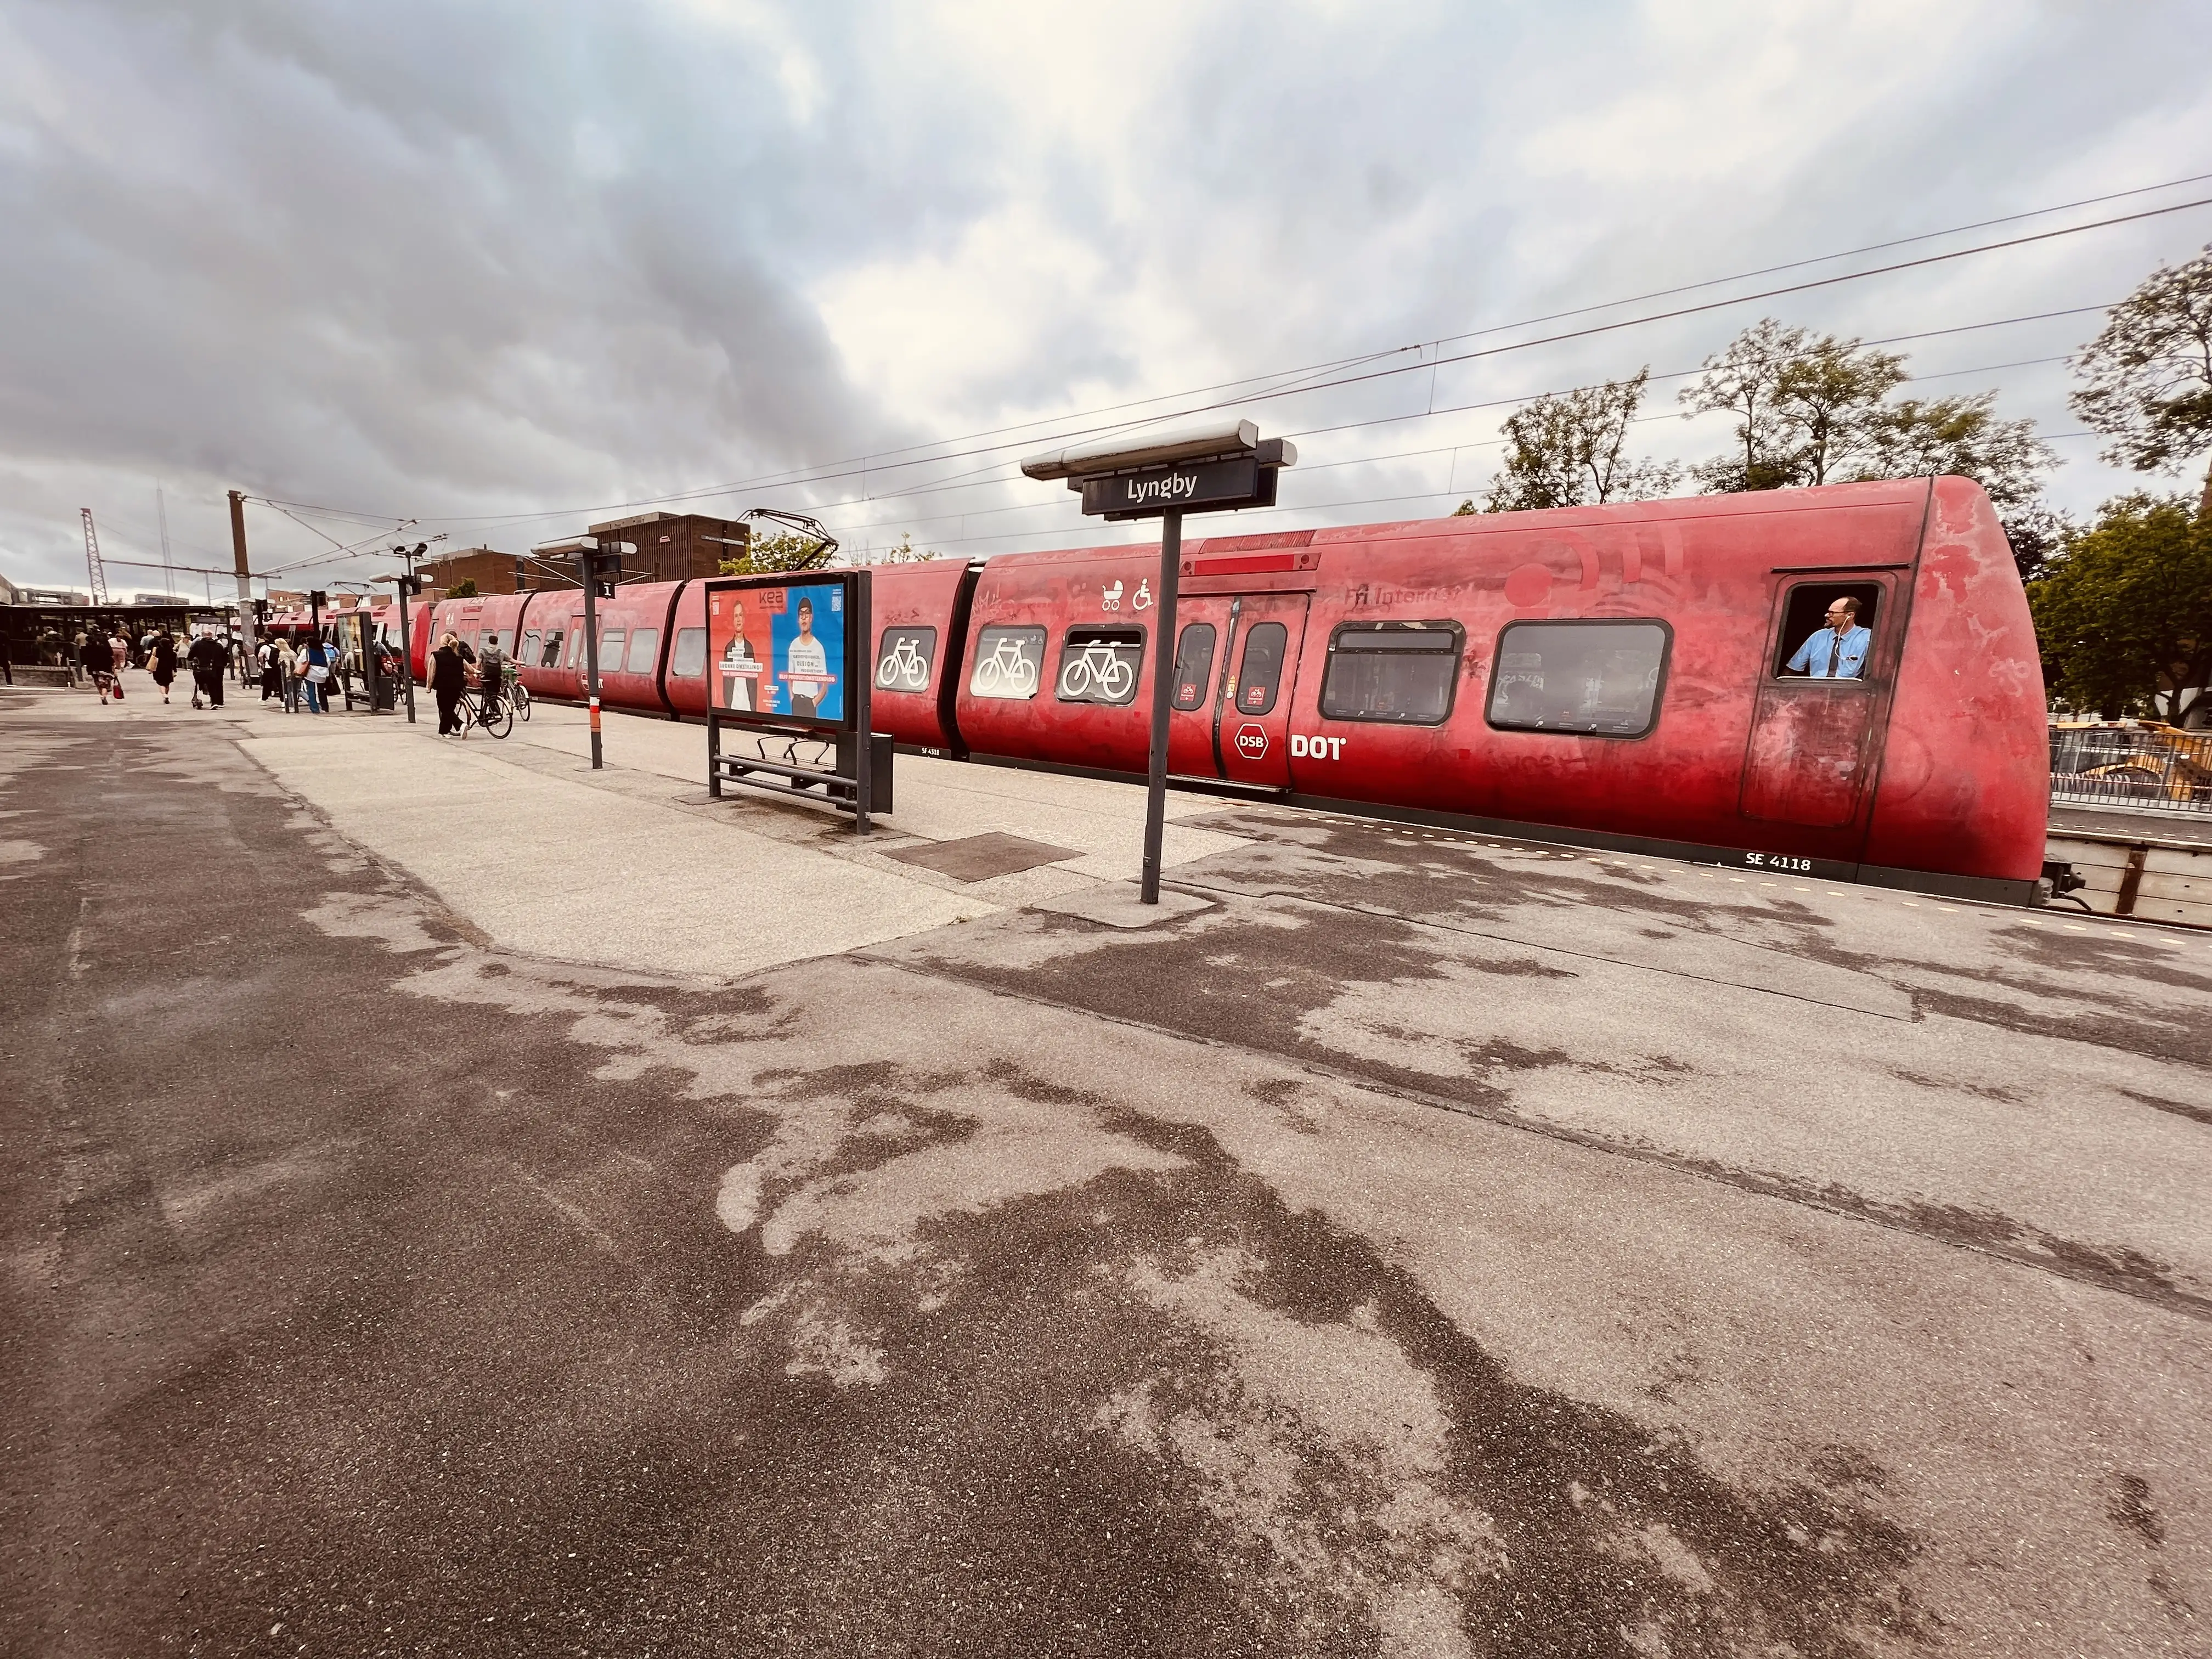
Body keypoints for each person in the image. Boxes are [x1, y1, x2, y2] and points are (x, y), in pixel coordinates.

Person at [1784, 596, 1871, 679]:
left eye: (1832, 613)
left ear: (1850, 615)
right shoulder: (1818, 637)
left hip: (1849, 691)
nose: (1827, 615)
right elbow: (1792, 669)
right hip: (1816, 689)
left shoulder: (1867, 638)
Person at [785, 596, 828, 717]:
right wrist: (792, 698)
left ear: (811, 618)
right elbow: (790, 676)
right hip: (796, 702)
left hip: (810, 702)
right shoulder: (794, 645)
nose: (804, 618)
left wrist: (814, 703)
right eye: (801, 615)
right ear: (798, 620)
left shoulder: (818, 648)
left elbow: (825, 684)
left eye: (807, 614)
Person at [431, 632, 469, 735]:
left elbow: (432, 673)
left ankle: (461, 725)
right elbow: (468, 668)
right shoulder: (459, 657)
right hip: (457, 687)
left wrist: (429, 687)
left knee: (444, 709)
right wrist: (476, 672)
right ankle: (444, 731)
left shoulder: (436, 655)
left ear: (442, 642)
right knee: (450, 709)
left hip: (443, 686)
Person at [186, 630, 227, 708]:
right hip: (217, 668)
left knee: (199, 684)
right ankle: (217, 701)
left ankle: (199, 698)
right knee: (216, 684)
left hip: (201, 668)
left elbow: (190, 657)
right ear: (211, 636)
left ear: (203, 635)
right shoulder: (218, 645)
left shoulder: (198, 645)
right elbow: (224, 658)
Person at [80, 630, 116, 703]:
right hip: (106, 667)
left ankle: (102, 694)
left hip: (93, 667)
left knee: (98, 682)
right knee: (106, 683)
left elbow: (84, 658)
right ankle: (104, 695)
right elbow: (111, 654)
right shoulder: (105, 646)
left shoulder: (88, 647)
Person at [299, 635, 331, 713]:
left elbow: (300, 660)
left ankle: (315, 708)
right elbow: (328, 662)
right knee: (322, 691)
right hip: (323, 674)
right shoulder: (322, 652)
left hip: (311, 673)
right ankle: (325, 707)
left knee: (311, 691)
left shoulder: (306, 651)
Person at [149, 631, 178, 705]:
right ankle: (167, 695)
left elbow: (152, 658)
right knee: (167, 683)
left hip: (159, 668)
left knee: (161, 683)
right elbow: (174, 662)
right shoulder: (172, 652)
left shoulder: (158, 650)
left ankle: (164, 695)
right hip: (168, 669)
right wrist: (175, 670)